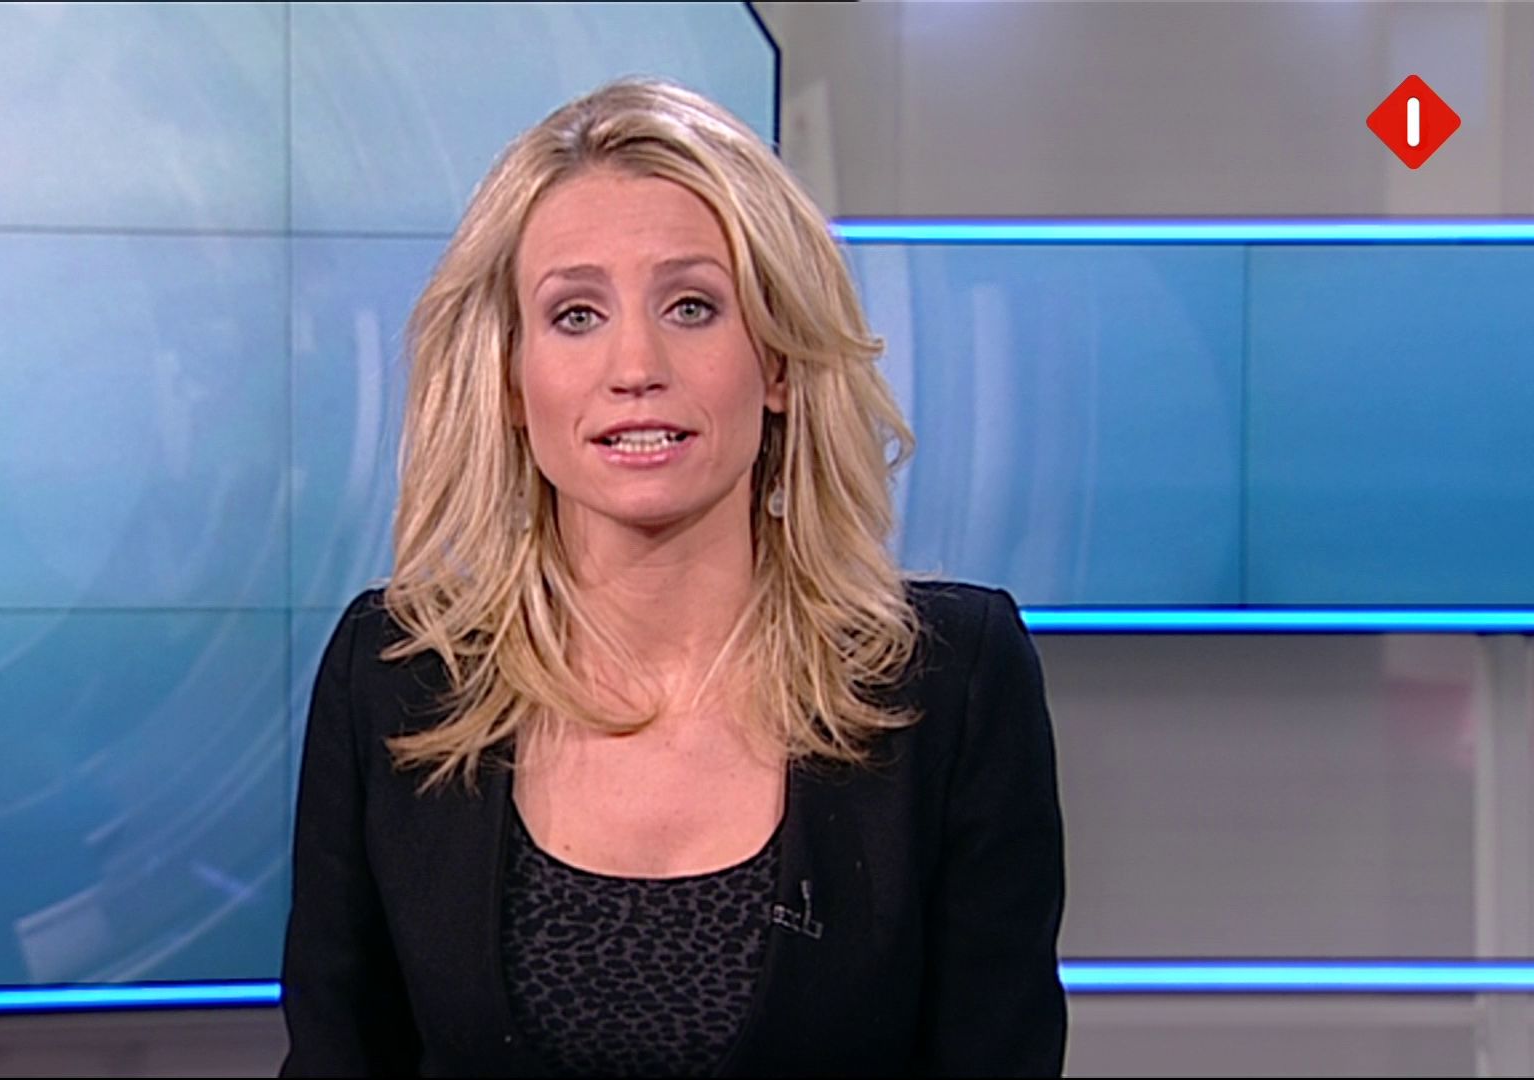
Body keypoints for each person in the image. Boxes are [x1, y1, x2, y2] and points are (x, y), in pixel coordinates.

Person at [280, 76, 1065, 1078]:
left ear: (776, 362)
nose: (635, 365)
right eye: (575, 315)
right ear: (511, 379)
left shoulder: (950, 682)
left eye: (692, 306)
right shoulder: (395, 677)